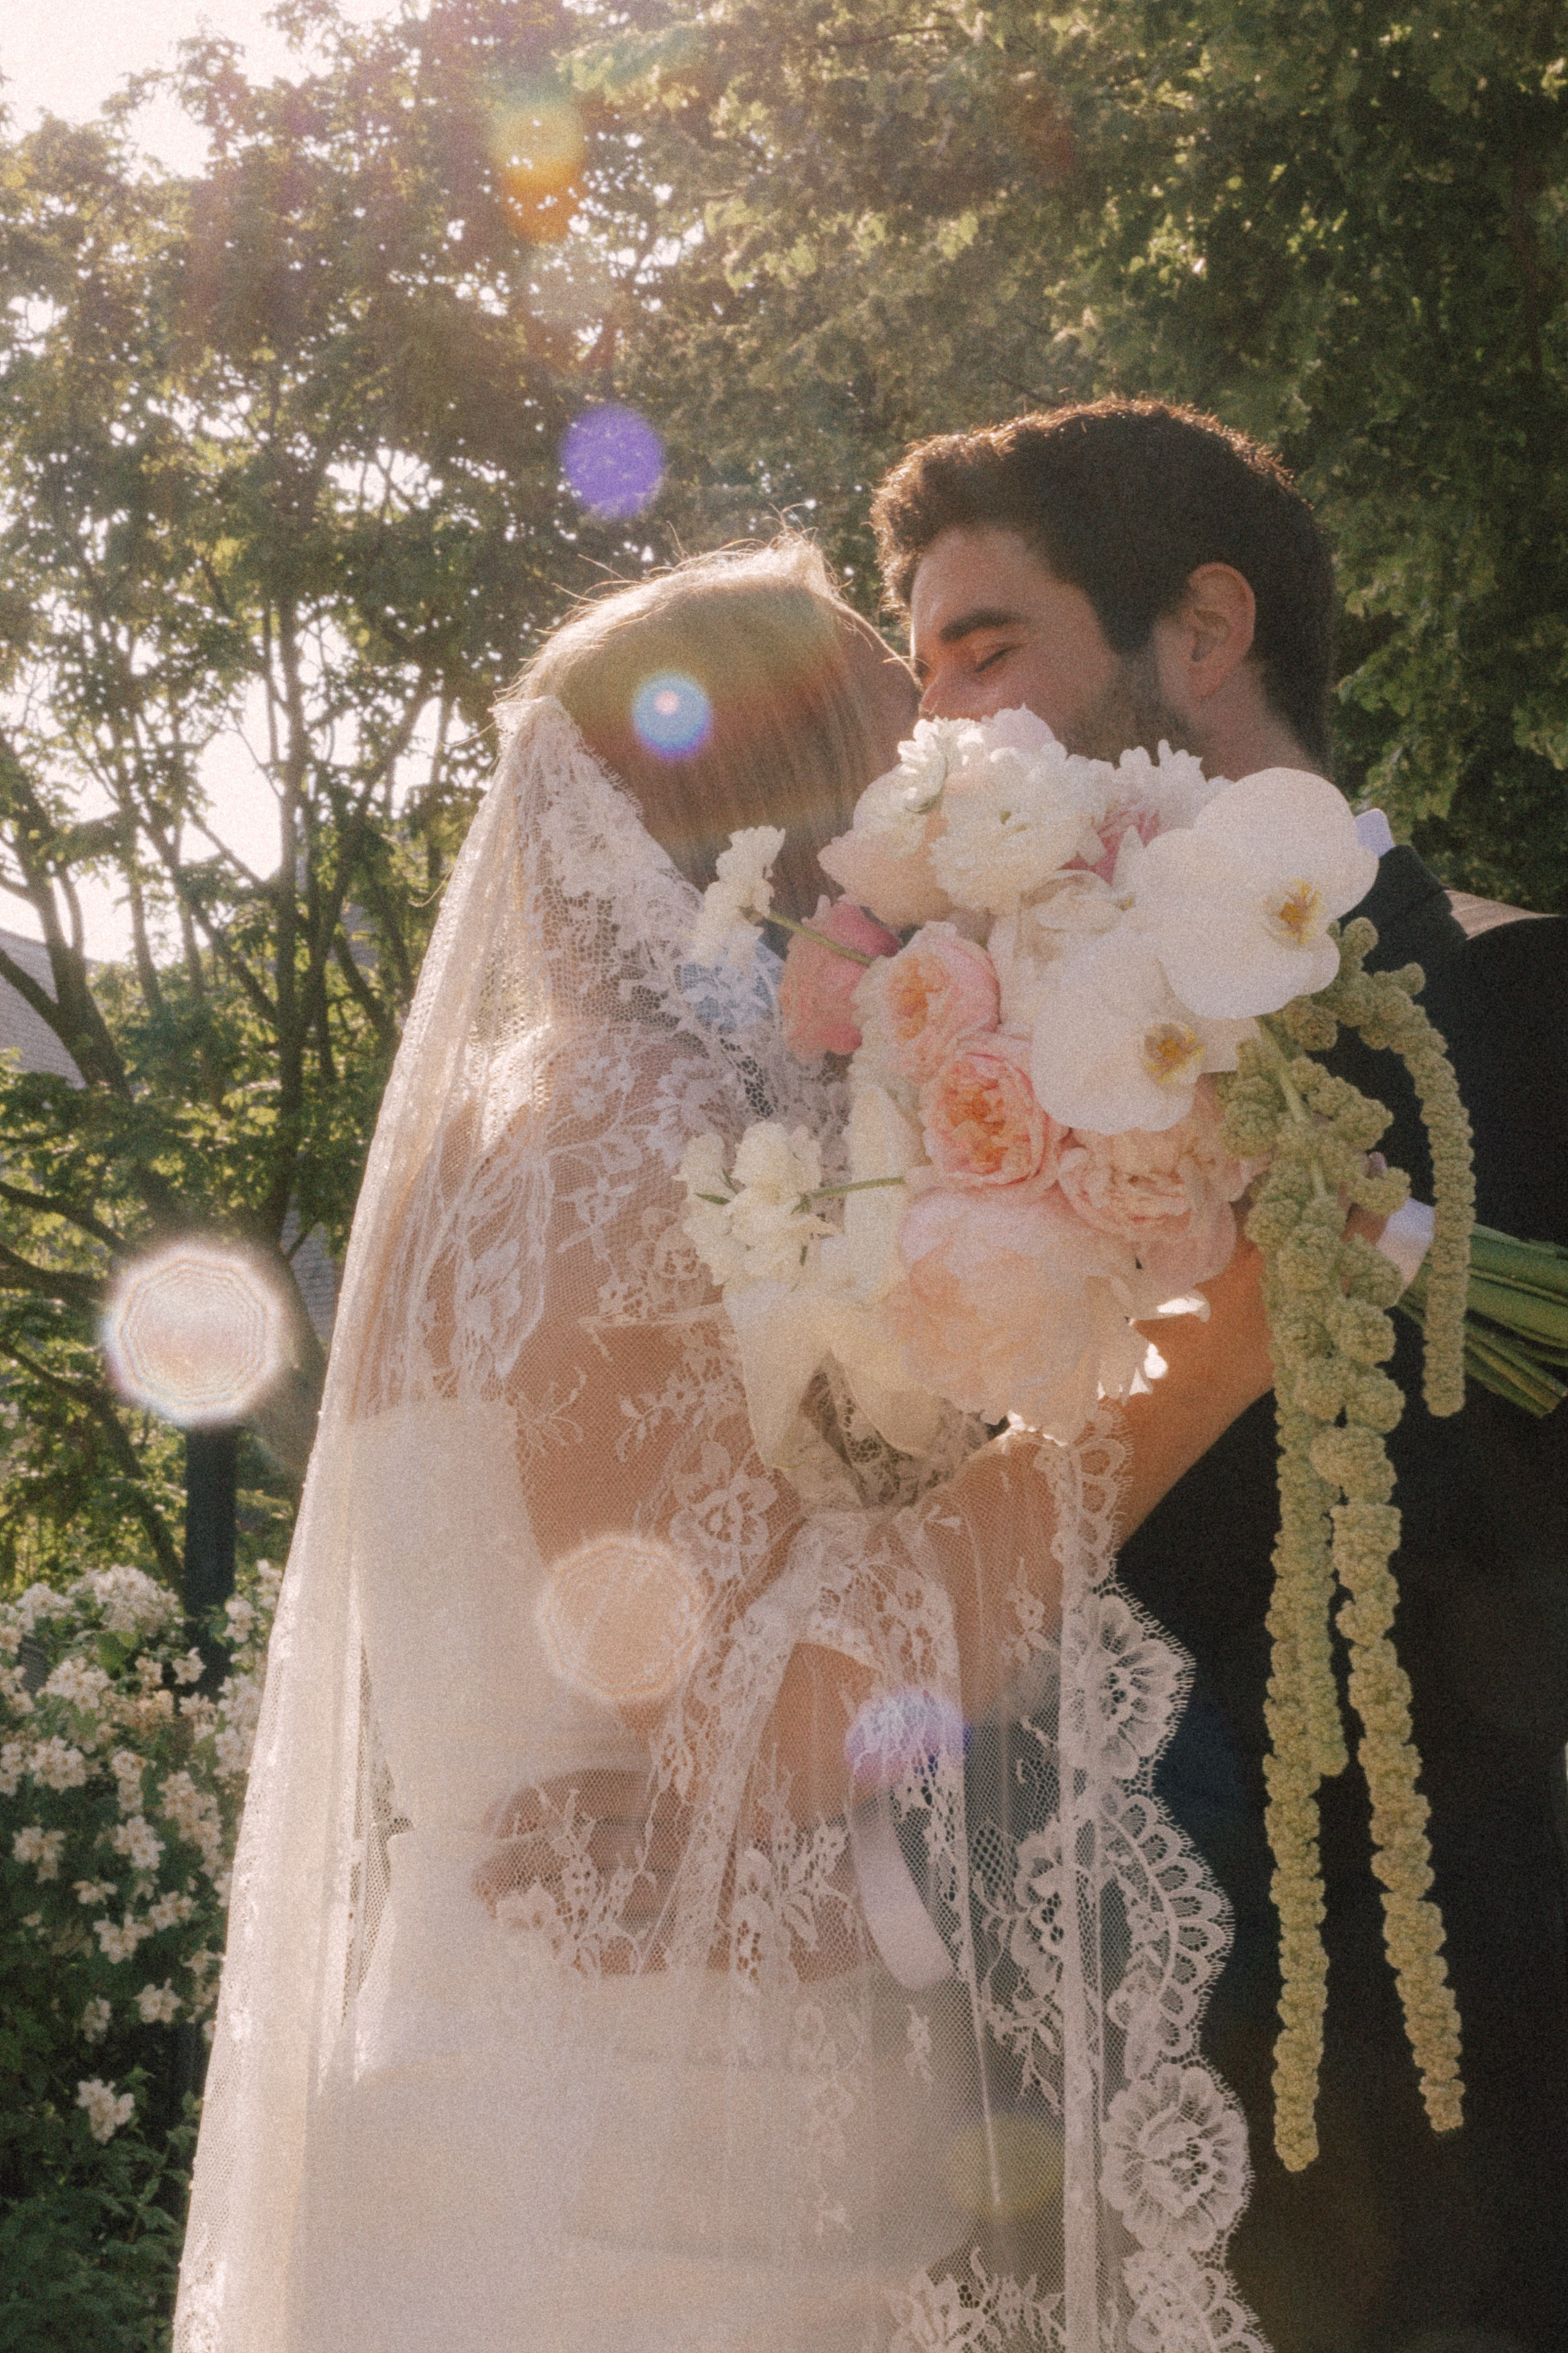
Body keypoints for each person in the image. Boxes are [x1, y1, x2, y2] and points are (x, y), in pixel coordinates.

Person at [173, 536, 1304, 2352]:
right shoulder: (646, 1134)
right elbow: (750, 1711)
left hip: (503, 2072)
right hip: (670, 2158)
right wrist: (1199, 1360)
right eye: (901, 752)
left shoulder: (508, 1141)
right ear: (807, 824)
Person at [872, 398, 1568, 2353]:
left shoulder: (1527, 1003)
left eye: (985, 651)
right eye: (922, 679)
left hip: (1458, 2113)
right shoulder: (960, 1065)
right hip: (1058, 2118)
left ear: (1201, 630)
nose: (943, 727)